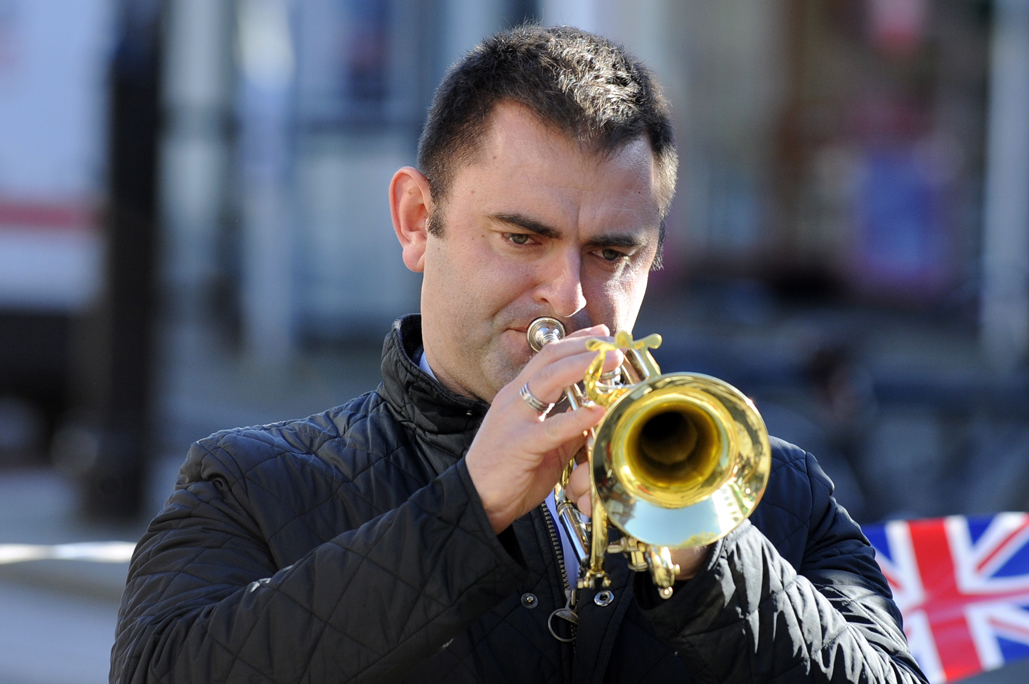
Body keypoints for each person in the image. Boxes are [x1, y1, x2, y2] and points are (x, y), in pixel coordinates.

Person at [111, 25, 926, 684]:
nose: (567, 296)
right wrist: (468, 514)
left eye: (612, 253)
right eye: (521, 238)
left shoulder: (776, 494)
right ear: (413, 219)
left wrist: (705, 557)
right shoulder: (251, 484)